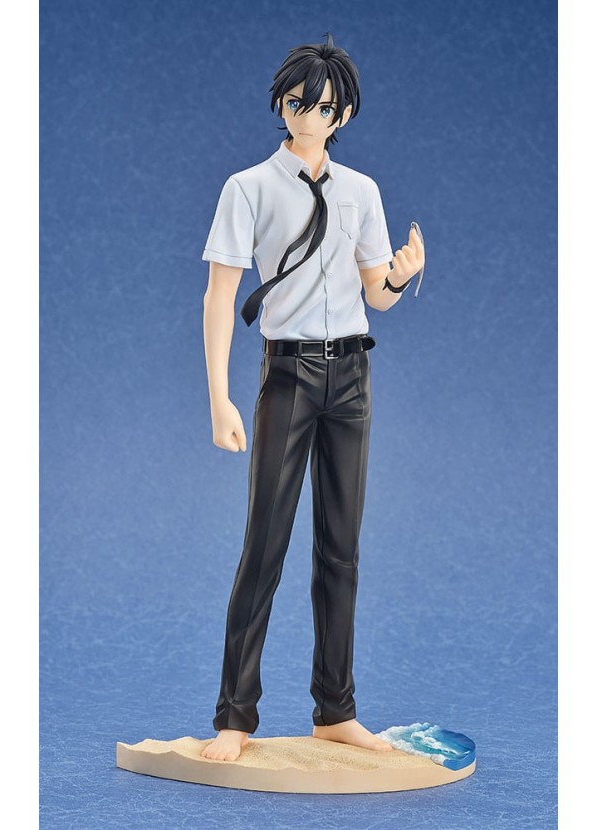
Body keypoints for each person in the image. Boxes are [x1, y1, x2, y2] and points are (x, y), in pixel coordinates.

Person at [200, 33, 425, 762]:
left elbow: (375, 294)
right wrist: (219, 397)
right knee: (264, 543)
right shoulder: (248, 188)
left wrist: (400, 277)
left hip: (352, 375)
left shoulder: (361, 192)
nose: (310, 116)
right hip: (289, 374)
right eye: (299, 103)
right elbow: (220, 294)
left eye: (325, 107)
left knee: (341, 549)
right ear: (281, 104)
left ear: (343, 115)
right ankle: (235, 714)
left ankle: (336, 708)